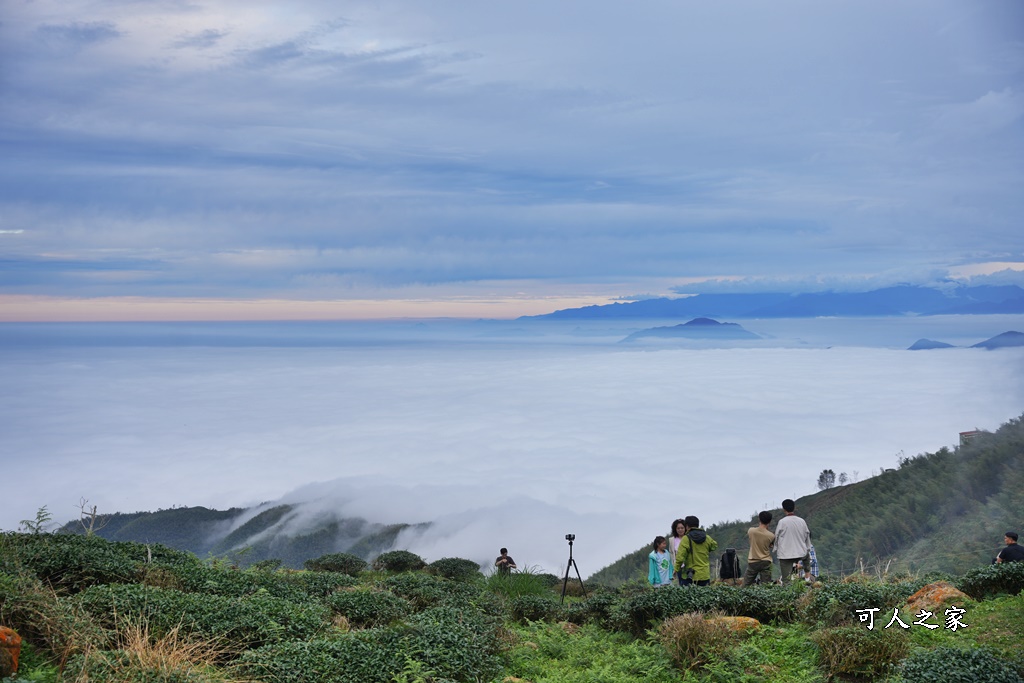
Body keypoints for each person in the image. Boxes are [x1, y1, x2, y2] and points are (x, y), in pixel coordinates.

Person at [775, 499, 812, 585]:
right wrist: (807, 548)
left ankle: (787, 589)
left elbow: (776, 537)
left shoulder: (782, 522)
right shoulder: (802, 521)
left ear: (784, 509)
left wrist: (776, 548)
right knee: (806, 557)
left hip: (785, 555)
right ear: (794, 508)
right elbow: (807, 535)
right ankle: (807, 580)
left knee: (786, 579)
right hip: (800, 552)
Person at [674, 515, 718, 586]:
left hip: (691, 575)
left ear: (687, 526)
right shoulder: (706, 537)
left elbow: (680, 556)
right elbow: (714, 546)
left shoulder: (686, 538)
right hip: (704, 574)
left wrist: (676, 569)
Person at [743, 510, 774, 586]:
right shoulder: (771, 536)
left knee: (745, 584)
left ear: (759, 519)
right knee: (766, 586)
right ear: (769, 521)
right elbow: (770, 546)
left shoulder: (751, 531)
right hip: (766, 561)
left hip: (753, 561)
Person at [668, 518, 687, 583]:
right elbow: (671, 554)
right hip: (679, 566)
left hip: (689, 566)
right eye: (678, 528)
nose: (680, 530)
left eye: (682, 528)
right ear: (675, 529)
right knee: (682, 583)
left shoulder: (688, 538)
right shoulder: (672, 540)